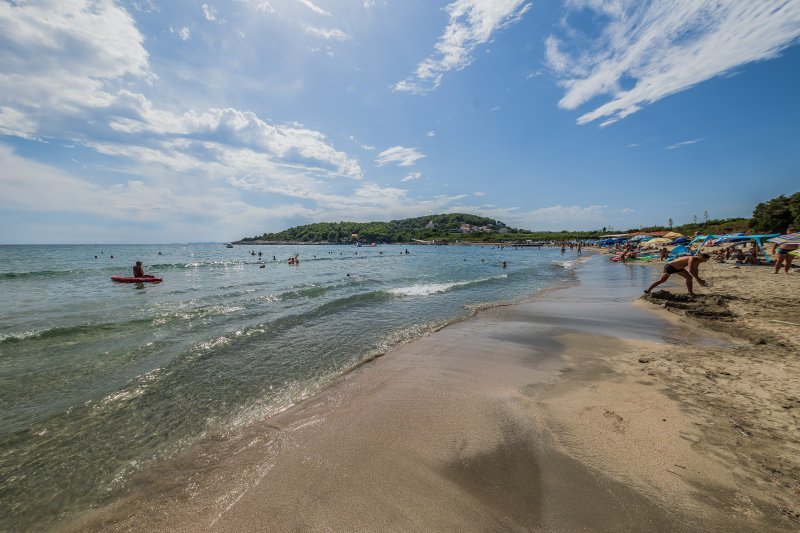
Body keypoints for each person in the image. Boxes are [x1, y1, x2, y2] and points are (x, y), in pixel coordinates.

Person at [644, 253, 710, 296]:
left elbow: (695, 270)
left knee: (689, 278)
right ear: (700, 257)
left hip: (679, 269)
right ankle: (648, 290)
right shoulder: (691, 258)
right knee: (662, 280)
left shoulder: (698, 261)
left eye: (706, 260)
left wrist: (699, 280)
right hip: (670, 267)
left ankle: (690, 293)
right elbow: (690, 270)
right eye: (704, 260)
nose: (704, 261)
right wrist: (699, 279)